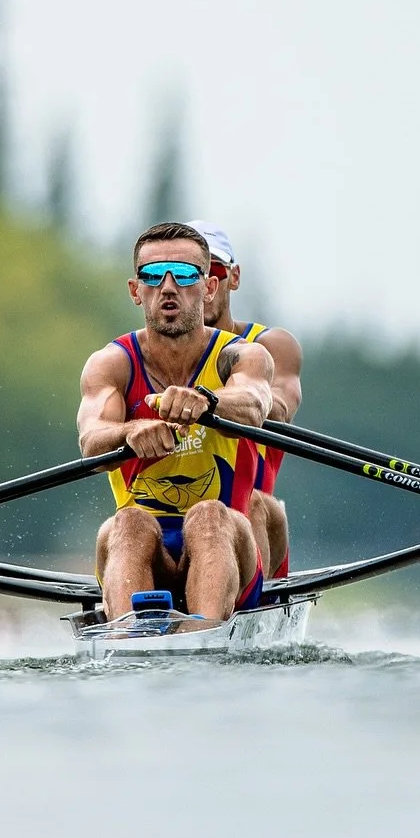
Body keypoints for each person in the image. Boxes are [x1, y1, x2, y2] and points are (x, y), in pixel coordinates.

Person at [77, 222, 275, 626]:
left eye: (184, 274)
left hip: (227, 541)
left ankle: (203, 631)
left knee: (209, 515)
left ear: (209, 288)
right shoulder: (111, 364)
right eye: (152, 275)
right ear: (136, 291)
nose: (168, 287)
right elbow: (92, 443)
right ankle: (129, 637)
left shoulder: (243, 356)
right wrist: (129, 432)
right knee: (128, 522)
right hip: (140, 547)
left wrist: (207, 401)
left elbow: (254, 405)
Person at [188, 220, 303, 582]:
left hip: (253, 525)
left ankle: (245, 594)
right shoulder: (144, 357)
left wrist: (222, 401)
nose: (202, 286)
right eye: (188, 274)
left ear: (233, 277)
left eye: (213, 271)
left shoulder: (272, 346)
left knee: (252, 503)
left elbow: (279, 409)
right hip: (178, 527)